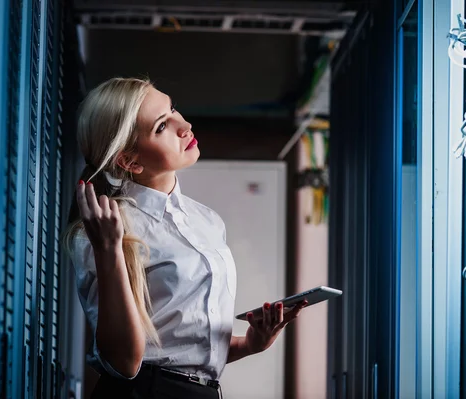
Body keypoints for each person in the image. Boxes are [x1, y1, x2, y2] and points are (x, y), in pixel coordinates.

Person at [64, 77, 307, 399]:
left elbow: (178, 350)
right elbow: (125, 363)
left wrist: (249, 345)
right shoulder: (105, 230)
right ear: (129, 161)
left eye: (173, 109)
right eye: (162, 126)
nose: (185, 125)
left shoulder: (206, 220)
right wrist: (109, 250)